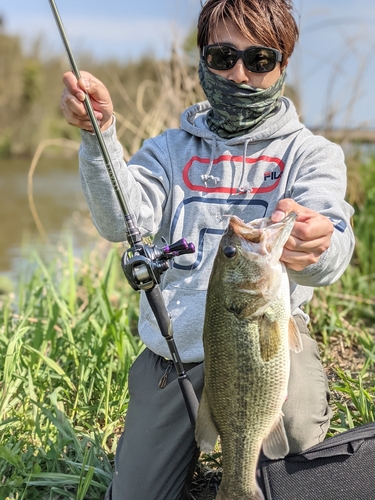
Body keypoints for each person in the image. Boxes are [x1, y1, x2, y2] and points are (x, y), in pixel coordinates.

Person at [60, 0, 355, 498]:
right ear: (201, 61)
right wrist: (100, 136)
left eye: (259, 60)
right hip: (175, 355)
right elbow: (120, 222)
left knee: (298, 433)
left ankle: (259, 470)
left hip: (265, 347)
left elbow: (332, 249)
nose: (238, 74)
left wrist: (318, 243)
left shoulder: (312, 154)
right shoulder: (168, 150)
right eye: (222, 56)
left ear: (282, 65)